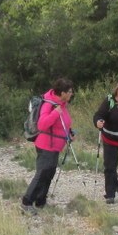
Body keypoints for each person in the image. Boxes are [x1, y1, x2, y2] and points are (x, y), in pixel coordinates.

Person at [20, 78, 75, 215]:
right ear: (62, 93)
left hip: (55, 146)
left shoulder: (61, 104)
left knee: (49, 174)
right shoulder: (49, 104)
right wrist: (55, 113)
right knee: (42, 174)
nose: (71, 94)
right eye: (69, 92)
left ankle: (40, 201)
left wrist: (69, 132)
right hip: (46, 145)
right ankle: (26, 202)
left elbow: (63, 122)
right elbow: (42, 124)